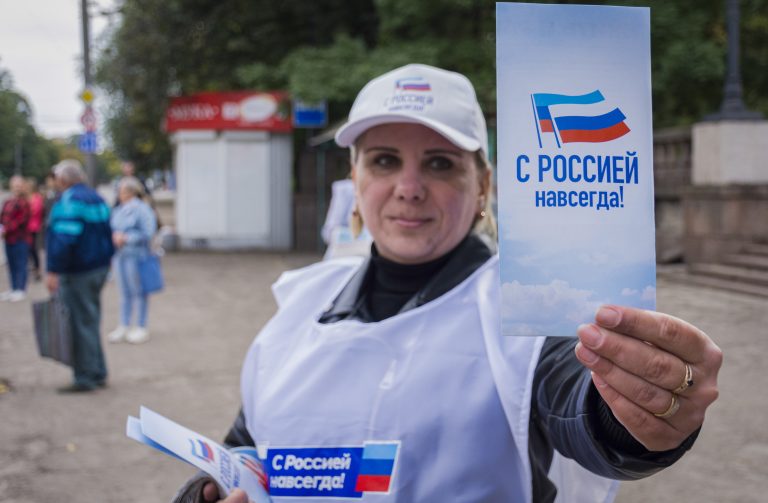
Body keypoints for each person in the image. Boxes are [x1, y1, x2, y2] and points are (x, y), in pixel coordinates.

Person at [173, 65, 723, 503]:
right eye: (385, 161)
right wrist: (207, 492)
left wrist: (641, 411)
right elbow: (246, 448)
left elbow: (582, 406)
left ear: (482, 185)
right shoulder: (298, 305)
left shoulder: (528, 306)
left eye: (439, 164)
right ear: (356, 179)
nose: (409, 188)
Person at [46, 159, 114, 393]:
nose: (54, 183)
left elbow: (65, 239)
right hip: (97, 269)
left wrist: (53, 269)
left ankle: (85, 377)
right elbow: (109, 233)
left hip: (77, 272)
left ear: (64, 179)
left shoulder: (70, 200)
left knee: (79, 324)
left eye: (55, 178)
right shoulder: (96, 197)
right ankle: (98, 371)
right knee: (90, 321)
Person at [108, 176, 157, 344]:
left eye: (121, 190)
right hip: (119, 256)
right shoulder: (118, 209)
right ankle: (124, 324)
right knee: (124, 292)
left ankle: (141, 326)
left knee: (139, 291)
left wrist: (127, 237)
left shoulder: (142, 209)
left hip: (136, 256)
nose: (119, 194)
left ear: (130, 192)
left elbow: (148, 232)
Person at [1, 175, 31, 302]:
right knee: (11, 264)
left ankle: (21, 289)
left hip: (20, 238)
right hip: (8, 239)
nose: (17, 188)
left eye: (19, 185)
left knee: (21, 264)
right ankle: (13, 288)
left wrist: (6, 229)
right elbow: (2, 217)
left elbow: (21, 221)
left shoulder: (24, 202)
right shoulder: (8, 201)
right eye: (15, 185)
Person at [26, 178, 45, 282]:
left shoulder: (37, 198)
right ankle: (32, 268)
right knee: (28, 249)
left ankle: (37, 269)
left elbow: (34, 211)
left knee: (33, 249)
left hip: (33, 227)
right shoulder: (26, 198)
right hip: (26, 228)